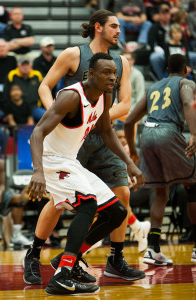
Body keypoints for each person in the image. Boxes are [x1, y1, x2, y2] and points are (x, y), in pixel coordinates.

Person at [23, 9, 149, 286]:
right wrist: (38, 171)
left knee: (116, 209)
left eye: (113, 74)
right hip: (56, 156)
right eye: (113, 26)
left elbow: (107, 130)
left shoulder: (105, 93)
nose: (112, 78)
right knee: (80, 204)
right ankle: (55, 270)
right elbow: (38, 130)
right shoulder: (71, 89)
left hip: (77, 153)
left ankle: (72, 260)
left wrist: (130, 162)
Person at [125, 53, 196, 265]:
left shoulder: (154, 88)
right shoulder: (186, 82)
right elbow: (187, 102)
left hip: (146, 135)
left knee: (160, 192)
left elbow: (129, 121)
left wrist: (132, 150)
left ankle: (153, 250)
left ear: (166, 70)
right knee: (193, 185)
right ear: (186, 70)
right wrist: (194, 132)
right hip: (168, 132)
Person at [0, 138, 32, 247]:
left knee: (17, 198)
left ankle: (16, 234)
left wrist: (0, 191)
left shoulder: (0, 163)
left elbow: (1, 183)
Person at [1, 55, 45, 122]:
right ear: (18, 66)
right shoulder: (12, 75)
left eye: (27, 65)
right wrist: (8, 111)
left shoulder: (38, 75)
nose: (25, 67)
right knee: (0, 115)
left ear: (31, 65)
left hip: (34, 107)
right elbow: (5, 95)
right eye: (22, 65)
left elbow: (44, 92)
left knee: (47, 116)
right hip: (15, 107)